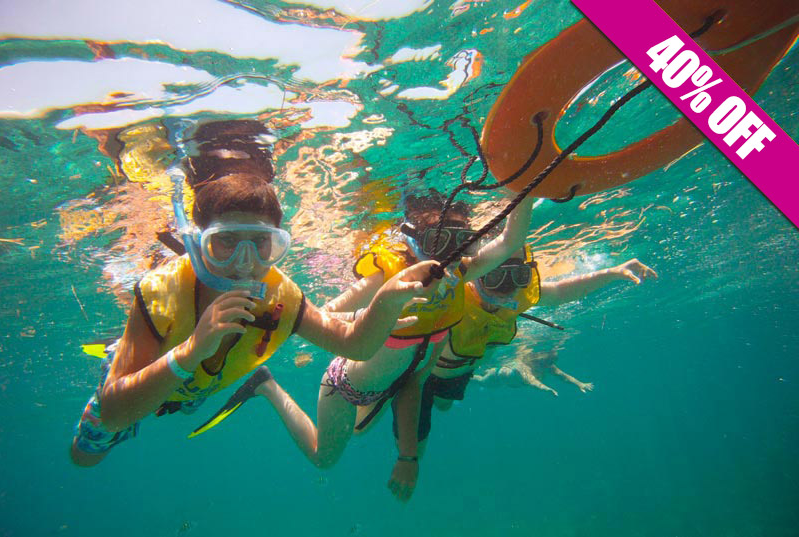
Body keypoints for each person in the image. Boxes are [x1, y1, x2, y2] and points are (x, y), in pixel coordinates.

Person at [69, 121, 434, 467]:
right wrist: (192, 348)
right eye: (224, 242)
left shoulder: (281, 295)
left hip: (193, 390)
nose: (245, 263)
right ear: (197, 245)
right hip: (154, 372)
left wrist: (385, 301)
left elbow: (353, 344)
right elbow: (115, 413)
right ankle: (117, 349)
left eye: (262, 244)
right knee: (84, 457)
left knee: (187, 400)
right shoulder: (159, 292)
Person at [208, 188, 535, 501]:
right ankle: (267, 386)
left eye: (461, 243)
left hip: (394, 384)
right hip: (344, 387)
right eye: (438, 241)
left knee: (361, 432)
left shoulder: (459, 279)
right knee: (324, 458)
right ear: (414, 241)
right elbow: (322, 315)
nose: (448, 255)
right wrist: (371, 316)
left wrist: (526, 188)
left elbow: (510, 241)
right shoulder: (388, 274)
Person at [392, 249, 656, 461]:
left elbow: (563, 291)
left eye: (517, 275)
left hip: (459, 374)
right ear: (478, 270)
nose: (505, 285)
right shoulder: (452, 293)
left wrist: (613, 272)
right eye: (495, 274)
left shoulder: (519, 298)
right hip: (424, 373)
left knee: (445, 406)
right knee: (415, 429)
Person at [472, 349, 592, 396]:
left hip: (510, 382)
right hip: (498, 377)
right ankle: (466, 375)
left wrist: (580, 384)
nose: (551, 365)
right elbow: (532, 382)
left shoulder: (548, 366)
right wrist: (547, 389)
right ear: (542, 359)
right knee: (481, 381)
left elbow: (563, 376)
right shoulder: (524, 367)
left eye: (552, 362)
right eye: (549, 361)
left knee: (483, 381)